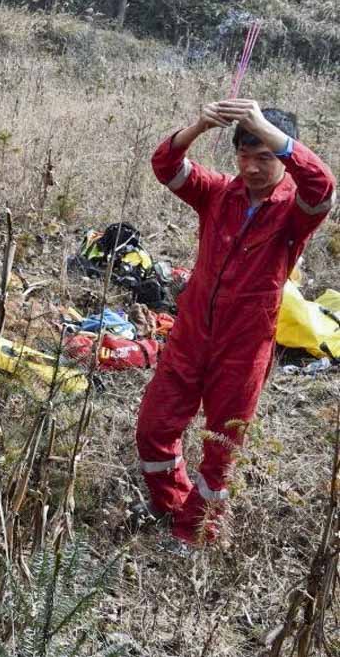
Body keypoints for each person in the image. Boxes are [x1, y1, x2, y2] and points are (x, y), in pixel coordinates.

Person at [135, 99, 335, 548]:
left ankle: (195, 534)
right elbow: (166, 165)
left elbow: (322, 187)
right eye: (244, 155)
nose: (251, 167)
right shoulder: (218, 193)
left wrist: (263, 125)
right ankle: (170, 505)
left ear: (284, 157)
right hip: (190, 337)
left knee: (220, 451)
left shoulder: (294, 213)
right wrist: (201, 124)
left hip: (243, 348)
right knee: (154, 428)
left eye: (264, 156)